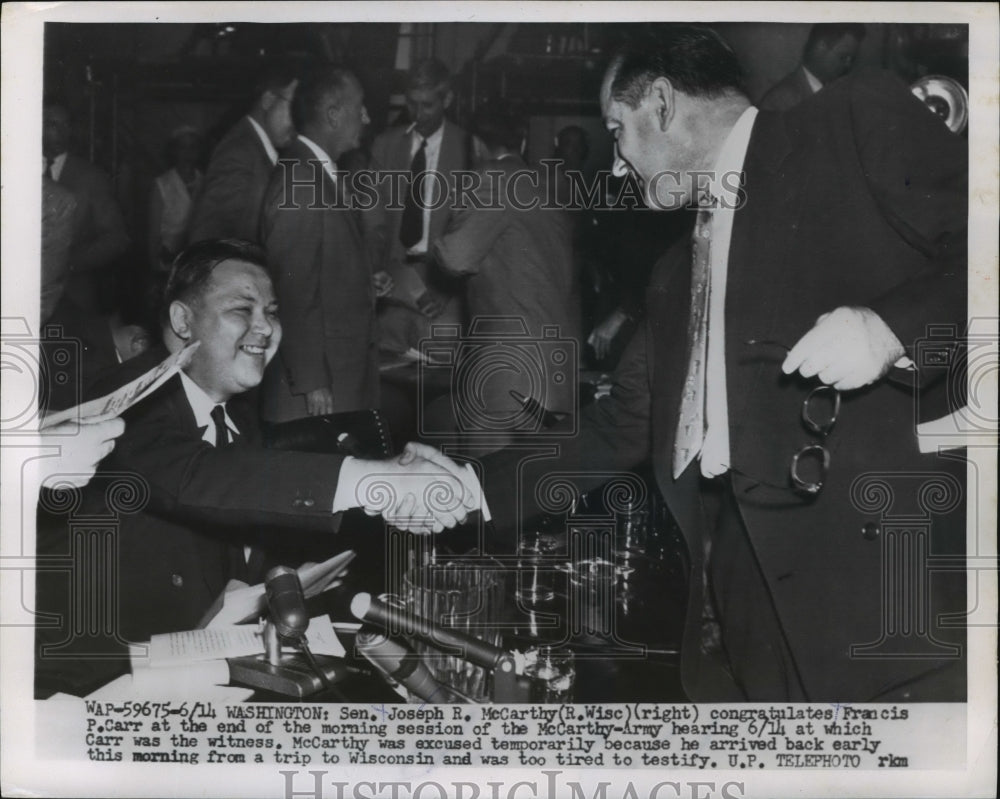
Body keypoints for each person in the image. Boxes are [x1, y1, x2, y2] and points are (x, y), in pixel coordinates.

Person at [485, 26, 967, 703]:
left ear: (661, 103)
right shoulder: (672, 274)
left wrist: (890, 328)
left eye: (618, 131)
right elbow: (620, 427)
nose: (616, 165)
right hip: (753, 629)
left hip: (889, 608)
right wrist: (470, 488)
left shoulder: (852, 120)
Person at [35, 239, 476, 696]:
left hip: (192, 667)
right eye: (242, 309)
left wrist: (299, 575)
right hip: (86, 685)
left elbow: (239, 515)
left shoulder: (235, 415)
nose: (265, 327)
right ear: (183, 321)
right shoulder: (121, 402)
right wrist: (378, 481)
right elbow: (200, 478)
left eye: (272, 311)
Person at [433, 108, 582, 453]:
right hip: (555, 367)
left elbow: (456, 256)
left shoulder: (491, 177)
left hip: (508, 369)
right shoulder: (545, 185)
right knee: (536, 478)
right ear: (524, 142)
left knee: (487, 479)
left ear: (477, 145)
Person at [259, 66, 385, 422]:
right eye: (359, 107)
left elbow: (316, 266)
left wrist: (360, 282)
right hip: (318, 388)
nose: (366, 117)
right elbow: (292, 288)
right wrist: (313, 380)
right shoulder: (301, 179)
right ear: (333, 115)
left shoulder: (317, 173)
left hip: (337, 374)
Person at [364, 58, 470, 354]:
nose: (418, 114)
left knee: (441, 359)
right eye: (411, 104)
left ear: (447, 100)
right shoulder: (384, 146)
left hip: (445, 283)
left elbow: (471, 232)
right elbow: (373, 221)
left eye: (428, 105)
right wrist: (376, 269)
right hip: (393, 279)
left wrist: (446, 288)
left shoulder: (469, 149)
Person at [186, 63, 298, 244]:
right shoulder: (239, 153)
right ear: (268, 100)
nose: (298, 122)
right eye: (294, 109)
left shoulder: (254, 150)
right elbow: (208, 239)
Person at [42, 101, 130, 313]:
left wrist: (69, 262)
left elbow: (117, 238)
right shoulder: (17, 170)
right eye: (52, 124)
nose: (61, 131)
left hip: (73, 297)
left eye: (66, 124)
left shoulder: (91, 177)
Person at [759, 23, 866, 111]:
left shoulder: (838, 94)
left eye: (851, 59)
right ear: (820, 47)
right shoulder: (779, 100)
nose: (848, 65)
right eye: (843, 57)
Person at [148, 125, 204, 272]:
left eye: (193, 147)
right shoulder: (162, 184)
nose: (188, 153)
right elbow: (154, 234)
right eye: (182, 147)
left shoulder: (206, 183)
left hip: (198, 261)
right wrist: (154, 267)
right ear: (174, 151)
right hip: (168, 261)